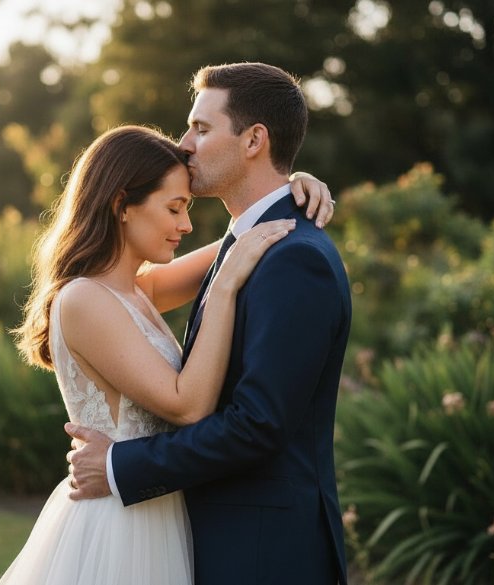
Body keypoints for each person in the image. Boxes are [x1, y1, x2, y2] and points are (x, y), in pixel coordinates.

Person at [1, 124, 334, 584]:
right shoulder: (84, 299)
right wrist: (224, 290)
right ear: (122, 205)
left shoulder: (137, 291)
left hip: (159, 515)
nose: (186, 225)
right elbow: (188, 404)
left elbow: (252, 234)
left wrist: (292, 188)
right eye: (174, 208)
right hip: (120, 528)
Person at [66, 62, 352, 584]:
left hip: (263, 554)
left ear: (253, 141)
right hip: (189, 536)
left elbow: (257, 425)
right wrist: (289, 187)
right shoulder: (246, 246)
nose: (185, 144)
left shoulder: (291, 258)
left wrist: (118, 466)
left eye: (201, 128)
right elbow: (222, 255)